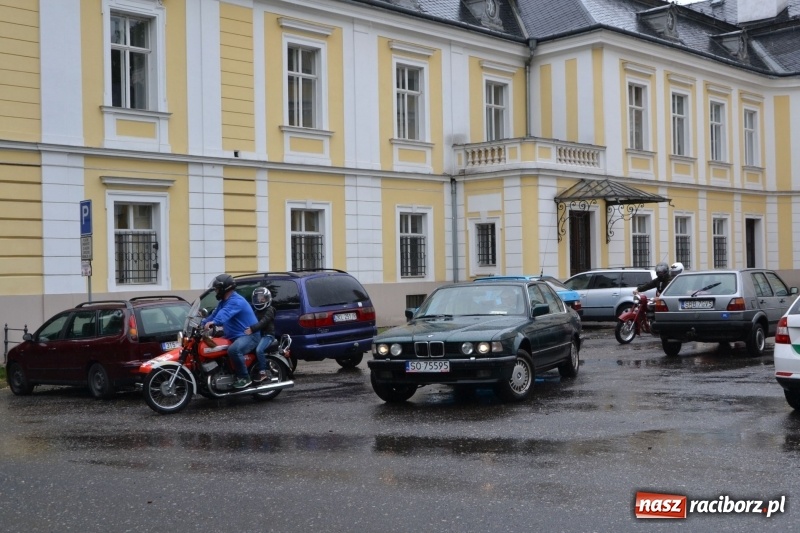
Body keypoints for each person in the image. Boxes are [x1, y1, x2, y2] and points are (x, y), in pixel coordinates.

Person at [202, 273, 260, 389]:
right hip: (233, 336)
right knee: (214, 346)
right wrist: (201, 323)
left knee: (233, 350)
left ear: (225, 288)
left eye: (217, 289)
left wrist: (214, 323)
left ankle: (244, 377)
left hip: (249, 336)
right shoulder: (223, 302)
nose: (216, 292)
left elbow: (224, 314)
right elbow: (214, 315)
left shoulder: (236, 301)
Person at [245, 286, 275, 383]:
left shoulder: (270, 310)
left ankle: (263, 372)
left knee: (259, 350)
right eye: (258, 297)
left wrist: (252, 329)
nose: (260, 299)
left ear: (267, 298)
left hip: (268, 336)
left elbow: (263, 322)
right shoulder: (256, 311)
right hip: (259, 336)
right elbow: (250, 320)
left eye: (262, 297)